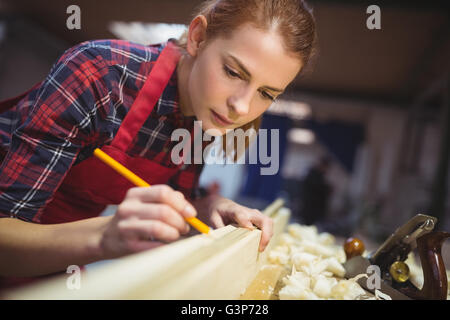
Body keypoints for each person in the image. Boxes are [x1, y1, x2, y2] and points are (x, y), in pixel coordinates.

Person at [0, 0, 317, 289]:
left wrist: (207, 208)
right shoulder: (99, 74)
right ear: (197, 37)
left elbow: (180, 197)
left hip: (60, 260)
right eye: (233, 72)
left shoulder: (208, 114)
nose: (242, 108)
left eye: (266, 94)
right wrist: (102, 237)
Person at [299, 156, 332, 226]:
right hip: (310, 208)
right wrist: (327, 189)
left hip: (313, 210)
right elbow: (317, 189)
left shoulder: (319, 176)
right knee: (307, 225)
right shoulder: (313, 175)